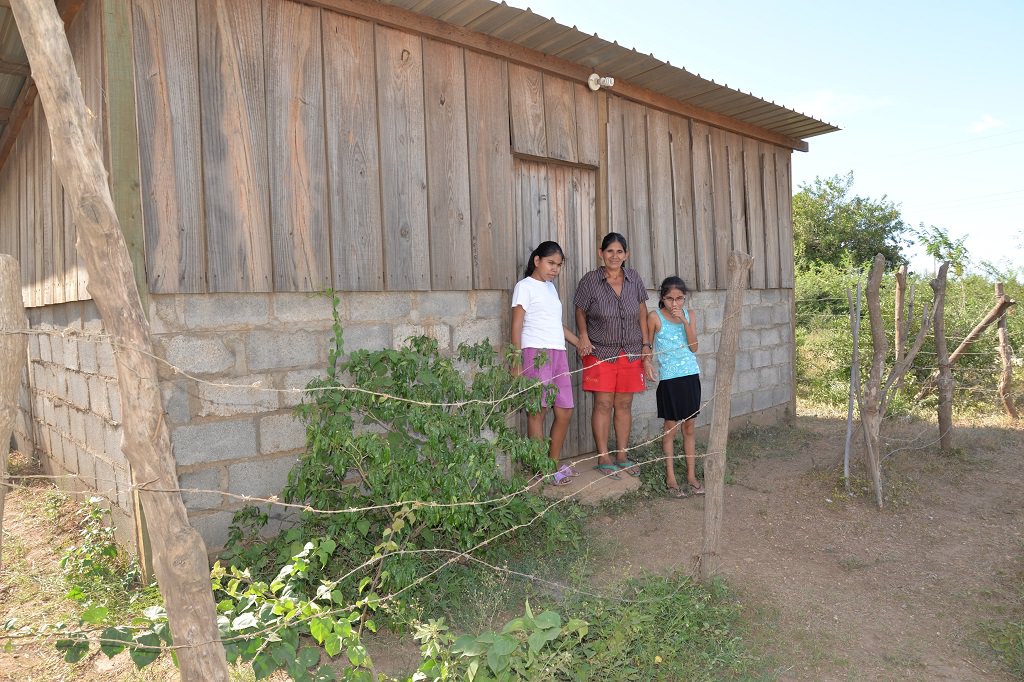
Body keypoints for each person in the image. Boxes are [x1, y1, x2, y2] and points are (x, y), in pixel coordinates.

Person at [573, 232, 650, 480]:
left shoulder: (634, 278)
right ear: (601, 253)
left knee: (624, 404)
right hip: (600, 352)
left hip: (630, 351)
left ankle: (622, 455)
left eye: (619, 252)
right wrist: (583, 335)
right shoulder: (590, 281)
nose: (614, 256)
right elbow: (580, 310)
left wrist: (646, 345)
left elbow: (642, 312)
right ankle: (604, 455)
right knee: (604, 403)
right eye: (609, 251)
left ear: (625, 255)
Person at [511, 241, 581, 485]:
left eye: (559, 265)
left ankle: (552, 463)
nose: (555, 269)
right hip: (535, 353)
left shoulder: (551, 289)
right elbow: (517, 324)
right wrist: (516, 359)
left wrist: (578, 341)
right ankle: (543, 469)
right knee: (537, 411)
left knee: (565, 410)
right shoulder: (524, 287)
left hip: (558, 353)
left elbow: (555, 324)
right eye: (551, 263)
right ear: (537, 260)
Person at [645, 276, 704, 497]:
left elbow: (694, 347)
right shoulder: (654, 317)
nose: (675, 303)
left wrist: (685, 322)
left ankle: (691, 476)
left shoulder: (690, 315)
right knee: (670, 429)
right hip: (670, 380)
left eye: (679, 298)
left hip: (690, 376)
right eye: (670, 298)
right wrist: (646, 362)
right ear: (662, 298)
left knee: (689, 428)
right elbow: (648, 346)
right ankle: (671, 477)